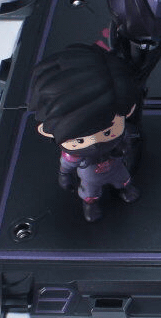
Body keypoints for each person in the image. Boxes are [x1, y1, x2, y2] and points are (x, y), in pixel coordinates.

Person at [27, 44, 142, 222]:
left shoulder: (120, 130)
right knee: (90, 192)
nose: (95, 142)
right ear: (47, 131)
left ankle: (125, 189)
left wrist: (126, 147)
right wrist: (64, 176)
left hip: (116, 166)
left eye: (107, 132)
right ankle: (90, 205)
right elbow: (66, 166)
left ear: (129, 110)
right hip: (89, 175)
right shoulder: (72, 156)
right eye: (80, 140)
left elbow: (127, 139)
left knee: (123, 179)